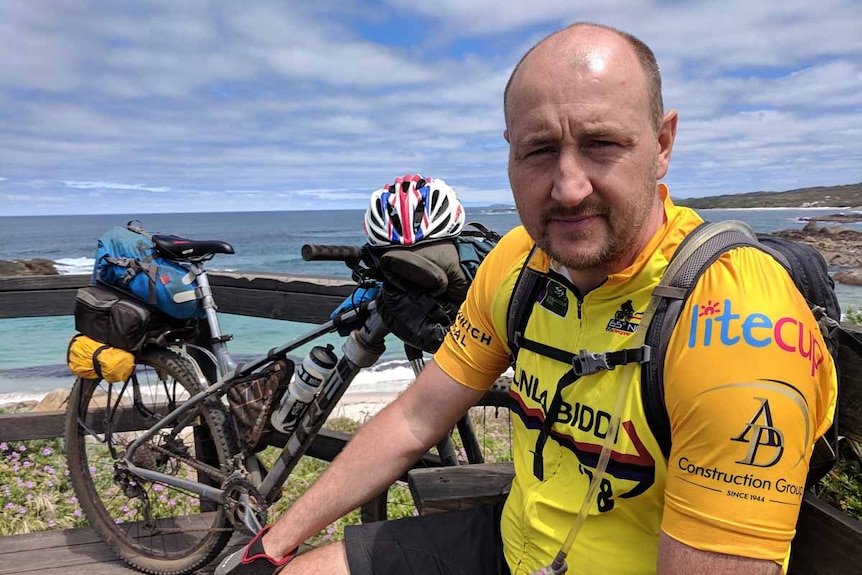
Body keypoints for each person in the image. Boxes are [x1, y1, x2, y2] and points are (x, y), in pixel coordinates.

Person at [216, 22, 837, 575]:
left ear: (662, 143)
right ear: (510, 150)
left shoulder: (735, 326)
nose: (568, 188)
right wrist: (272, 543)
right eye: (539, 150)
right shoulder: (519, 261)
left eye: (602, 144)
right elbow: (415, 419)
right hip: (511, 544)